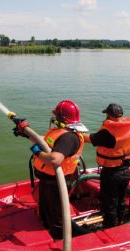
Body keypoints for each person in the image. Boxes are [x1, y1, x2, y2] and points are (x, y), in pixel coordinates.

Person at [14, 100, 87, 239]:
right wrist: (25, 133)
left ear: (62, 118)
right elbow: (45, 141)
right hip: (49, 180)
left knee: (57, 214)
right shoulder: (62, 132)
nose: (54, 118)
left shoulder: (69, 137)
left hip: (58, 182)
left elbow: (55, 159)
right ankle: (46, 227)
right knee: (46, 208)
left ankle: (60, 238)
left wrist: (37, 152)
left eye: (56, 115)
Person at [83, 103, 130, 228]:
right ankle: (120, 222)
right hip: (125, 170)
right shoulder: (129, 127)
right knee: (121, 199)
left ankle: (110, 228)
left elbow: (88, 139)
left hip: (111, 173)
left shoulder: (108, 133)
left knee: (110, 203)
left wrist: (74, 134)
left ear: (108, 115)